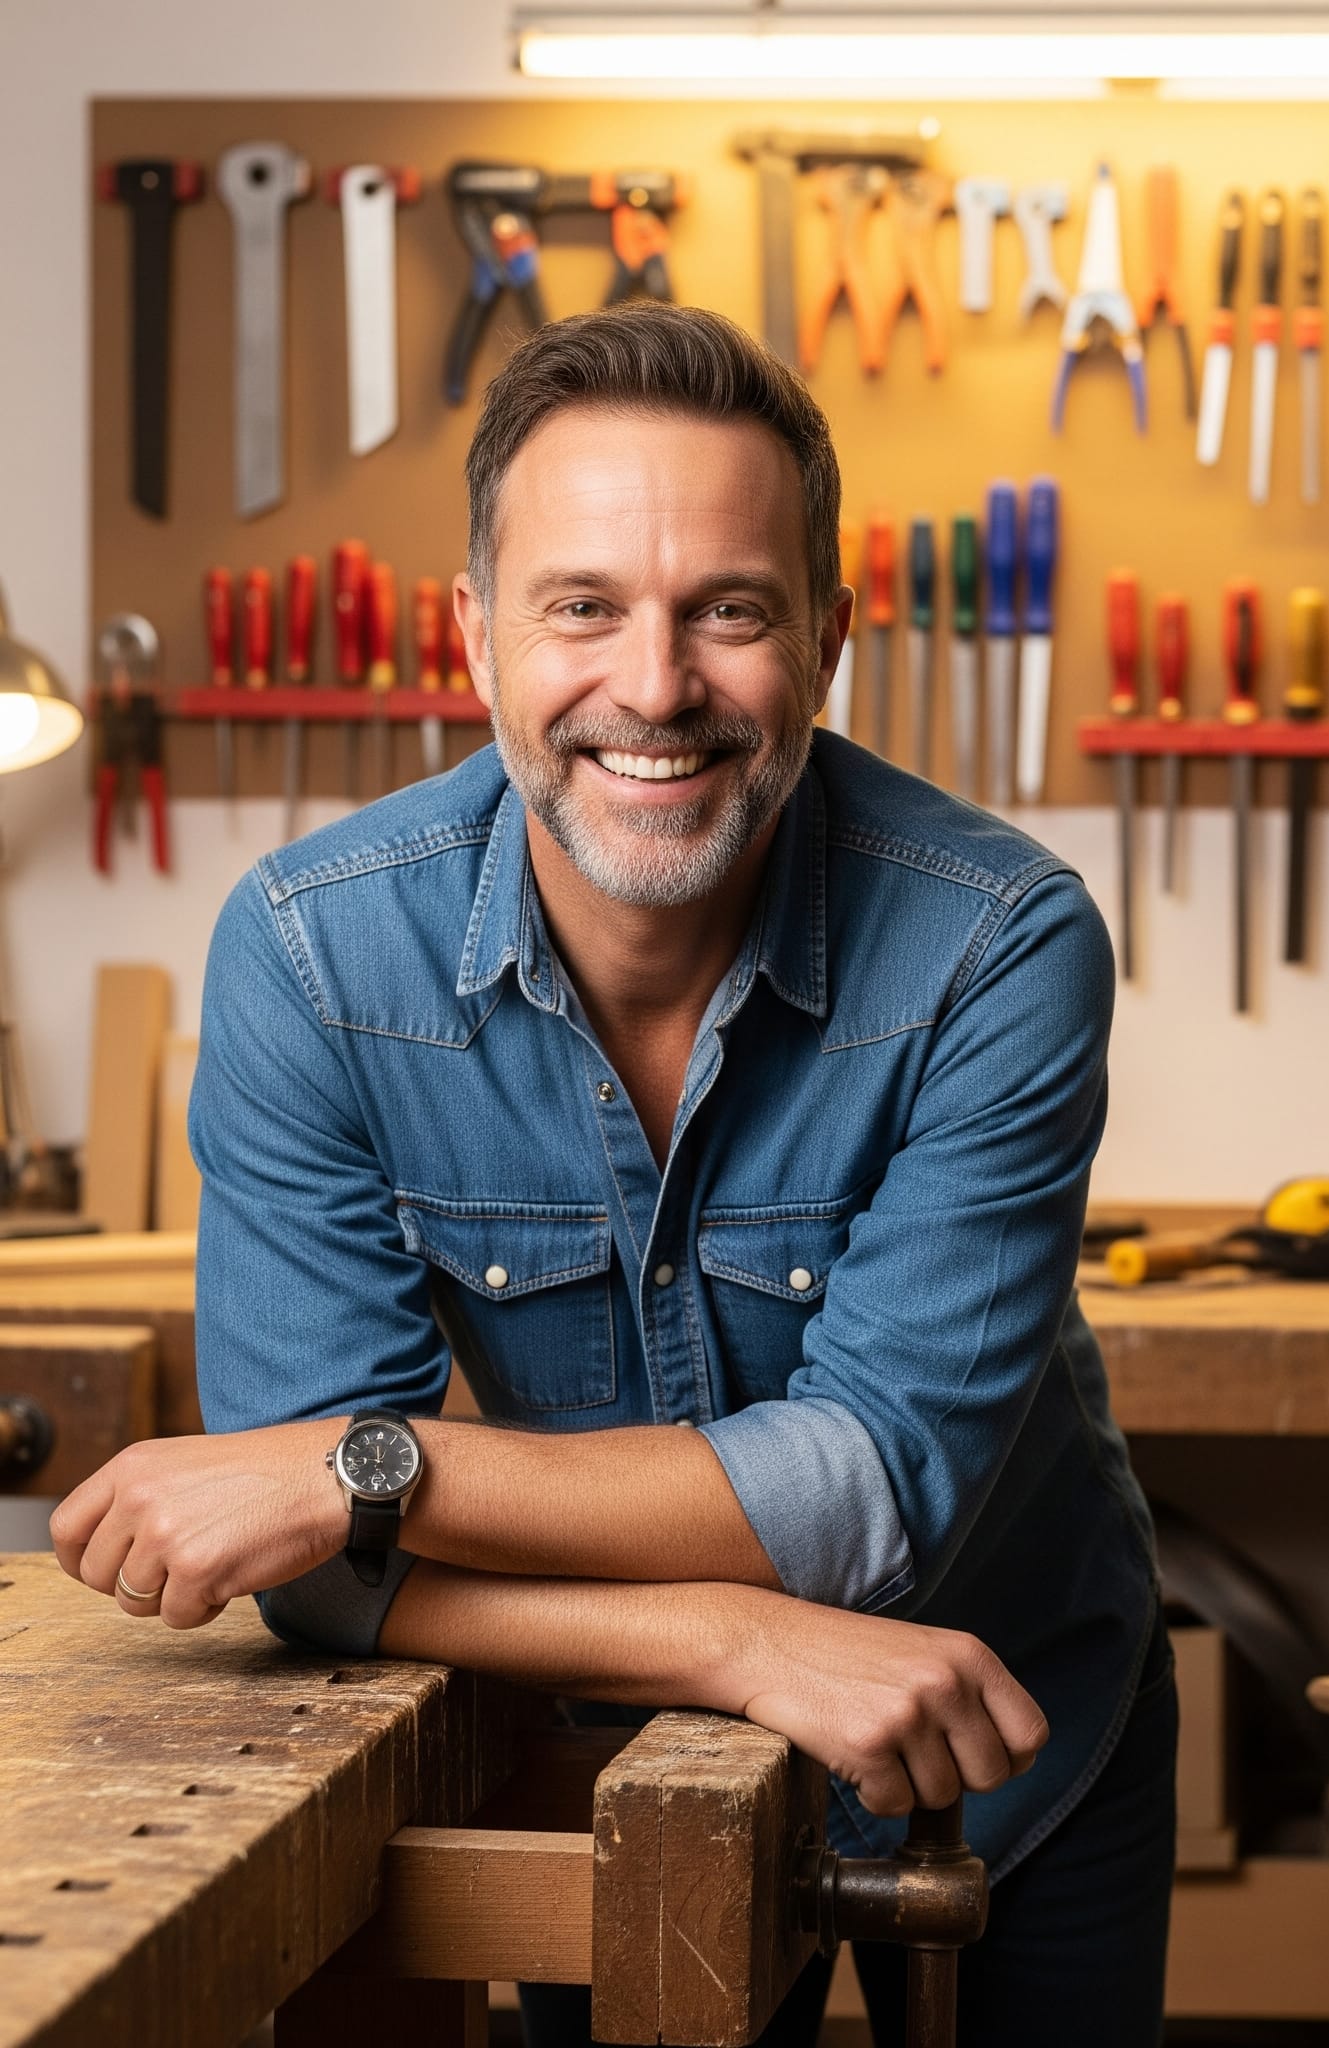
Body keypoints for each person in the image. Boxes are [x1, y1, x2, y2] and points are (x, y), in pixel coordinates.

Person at [48, 303, 1174, 2045]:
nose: (654, 688)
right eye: (582, 606)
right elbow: (313, 1573)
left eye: (729, 611)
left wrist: (368, 1467)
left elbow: (869, 1491)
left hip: (1007, 1707)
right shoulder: (318, 957)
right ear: (475, 636)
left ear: (828, 642)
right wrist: (731, 1643)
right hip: (613, 1735)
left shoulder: (997, 946)